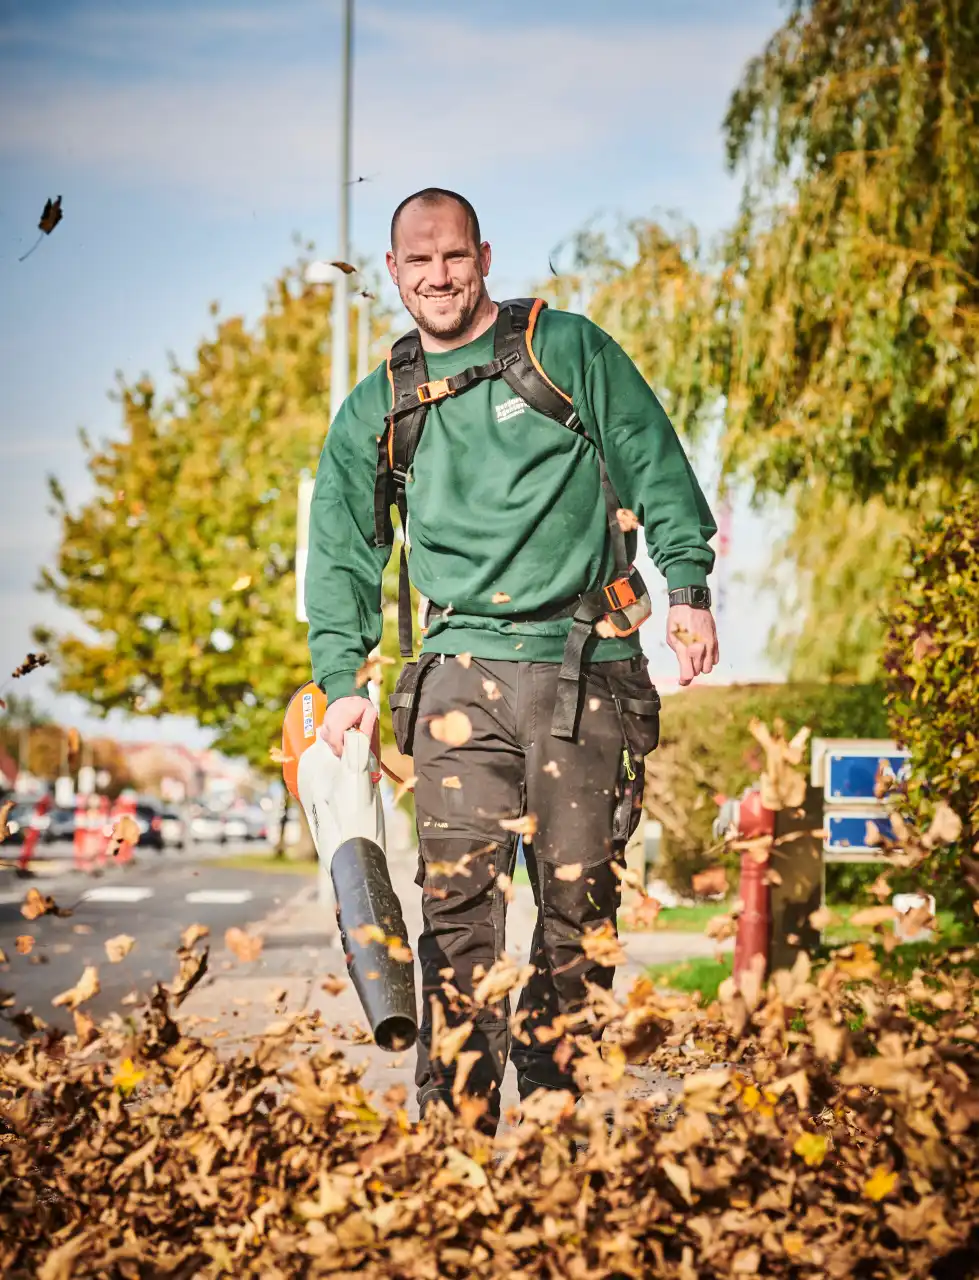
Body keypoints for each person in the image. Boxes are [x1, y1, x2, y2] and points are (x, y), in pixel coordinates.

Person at [305, 187, 718, 1135]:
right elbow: (339, 553)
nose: (438, 277)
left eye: (453, 257)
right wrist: (341, 685)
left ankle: (556, 1119)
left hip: (580, 673)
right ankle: (451, 1140)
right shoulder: (381, 403)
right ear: (393, 273)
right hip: (454, 682)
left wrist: (686, 590)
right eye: (418, 263)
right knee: (456, 920)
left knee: (579, 914)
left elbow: (655, 462)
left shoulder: (564, 349)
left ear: (483, 256)